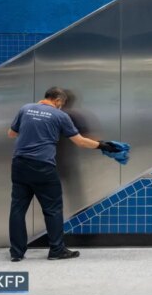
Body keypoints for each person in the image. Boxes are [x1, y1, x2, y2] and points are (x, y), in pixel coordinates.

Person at [7, 87, 121, 261]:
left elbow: (11, 133)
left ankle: (16, 253)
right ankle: (56, 251)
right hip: (43, 166)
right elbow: (80, 142)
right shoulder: (60, 116)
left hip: (19, 164)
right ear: (58, 101)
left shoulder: (25, 109)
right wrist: (102, 145)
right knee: (52, 209)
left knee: (17, 209)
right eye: (63, 103)